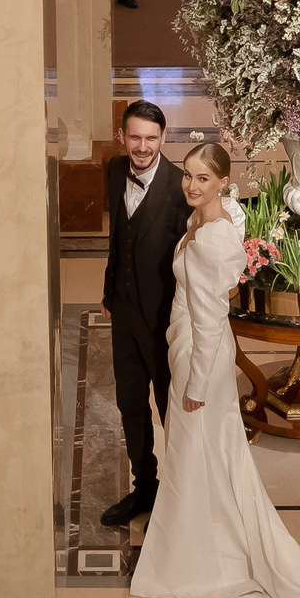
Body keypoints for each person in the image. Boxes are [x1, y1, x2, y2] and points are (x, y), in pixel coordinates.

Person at [131, 142, 300, 598]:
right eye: (188, 176)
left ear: (221, 181)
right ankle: (207, 541)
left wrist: (195, 387)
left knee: (198, 453)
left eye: (203, 179)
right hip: (190, 350)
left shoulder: (215, 241)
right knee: (204, 457)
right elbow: (233, 217)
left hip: (202, 359)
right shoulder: (219, 219)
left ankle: (200, 558)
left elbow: (213, 321)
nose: (191, 186)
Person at [99, 99, 186, 527]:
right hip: (124, 313)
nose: (143, 146)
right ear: (122, 137)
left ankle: (181, 492)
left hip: (164, 321)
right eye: (135, 136)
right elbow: (118, 237)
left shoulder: (179, 186)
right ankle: (144, 486)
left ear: (164, 138)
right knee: (130, 403)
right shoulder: (115, 170)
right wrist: (109, 292)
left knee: (172, 407)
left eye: (151, 138)